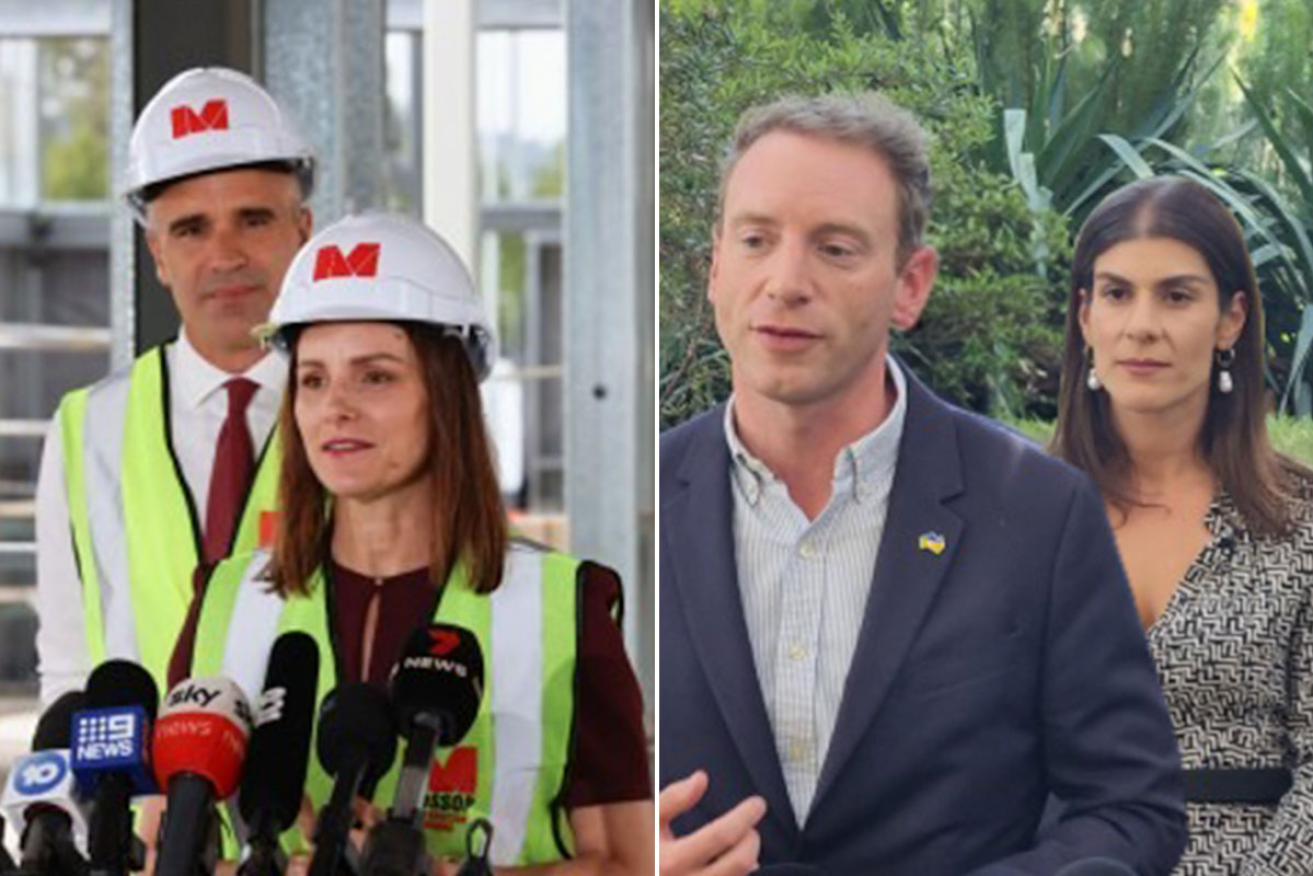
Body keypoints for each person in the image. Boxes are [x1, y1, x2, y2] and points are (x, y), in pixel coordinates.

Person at [658, 92, 1187, 874]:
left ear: (910, 284)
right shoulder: (628, 508)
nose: (784, 280)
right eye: (755, 240)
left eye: (835, 248)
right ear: (714, 269)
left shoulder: (1037, 512)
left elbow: (1128, 809)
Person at [171, 212, 654, 873]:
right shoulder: (223, 602)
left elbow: (629, 861)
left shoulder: (567, 608)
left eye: (375, 376)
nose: (336, 406)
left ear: (446, 394)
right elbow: (157, 850)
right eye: (313, 380)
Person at [1050, 175, 1313, 874]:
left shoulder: (1299, 524)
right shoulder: (1015, 512)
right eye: (1116, 293)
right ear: (1084, 317)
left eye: (1175, 295)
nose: (1141, 325)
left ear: (1229, 319)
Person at [35, 67, 314, 703]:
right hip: (144, 802)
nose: (225, 256)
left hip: (320, 798)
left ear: (303, 231)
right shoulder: (87, 430)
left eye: (253, 220)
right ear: (157, 253)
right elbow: (68, 669)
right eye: (191, 229)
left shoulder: (374, 417)